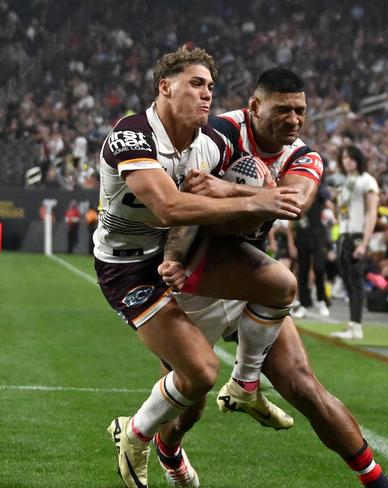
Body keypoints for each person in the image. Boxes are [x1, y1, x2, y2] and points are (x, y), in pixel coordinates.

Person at [159, 68, 388, 488]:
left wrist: (228, 190)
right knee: (191, 404)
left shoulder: (304, 156)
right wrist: (174, 256)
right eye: (283, 109)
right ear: (254, 106)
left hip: (248, 272)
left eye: (300, 111)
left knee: (303, 383)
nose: (294, 120)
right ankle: (168, 448)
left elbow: (295, 204)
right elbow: (187, 199)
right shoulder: (219, 132)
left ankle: (377, 482)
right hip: (196, 272)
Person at [95, 47, 303, 488]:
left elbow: (207, 202)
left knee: (279, 284)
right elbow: (170, 206)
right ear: (165, 87)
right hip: (127, 267)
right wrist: (255, 199)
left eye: (211, 86)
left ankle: (245, 385)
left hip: (175, 256)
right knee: (200, 372)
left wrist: (239, 192)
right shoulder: (131, 135)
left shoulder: (205, 144)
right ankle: (134, 436)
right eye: (196, 84)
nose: (207, 95)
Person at [330, 145, 379, 340]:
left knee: (356, 280)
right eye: (344, 157)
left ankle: (357, 325)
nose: (347, 161)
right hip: (343, 234)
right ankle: (352, 323)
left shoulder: (367, 180)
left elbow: (372, 211)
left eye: (351, 157)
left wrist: (364, 242)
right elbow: (339, 213)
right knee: (348, 280)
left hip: (357, 233)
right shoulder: (342, 182)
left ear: (358, 159)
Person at [292, 179, 333, 318]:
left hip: (318, 235)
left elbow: (330, 204)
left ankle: (322, 300)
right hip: (303, 234)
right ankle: (304, 303)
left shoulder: (321, 189)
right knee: (302, 270)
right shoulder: (298, 187)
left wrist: (331, 212)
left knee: (319, 267)